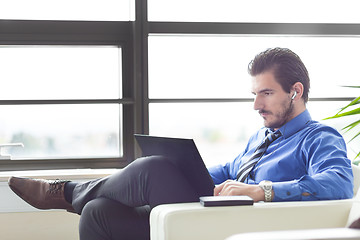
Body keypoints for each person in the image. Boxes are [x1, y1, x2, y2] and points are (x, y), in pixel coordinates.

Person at [8, 47, 353, 240]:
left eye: (266, 93)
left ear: (296, 91)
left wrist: (261, 191)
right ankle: (79, 196)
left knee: (152, 169)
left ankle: (66, 192)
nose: (256, 105)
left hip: (244, 225)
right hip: (213, 215)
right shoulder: (261, 137)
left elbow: (339, 184)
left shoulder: (320, 138)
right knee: (100, 214)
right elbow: (230, 171)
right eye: (254, 94)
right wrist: (188, 169)